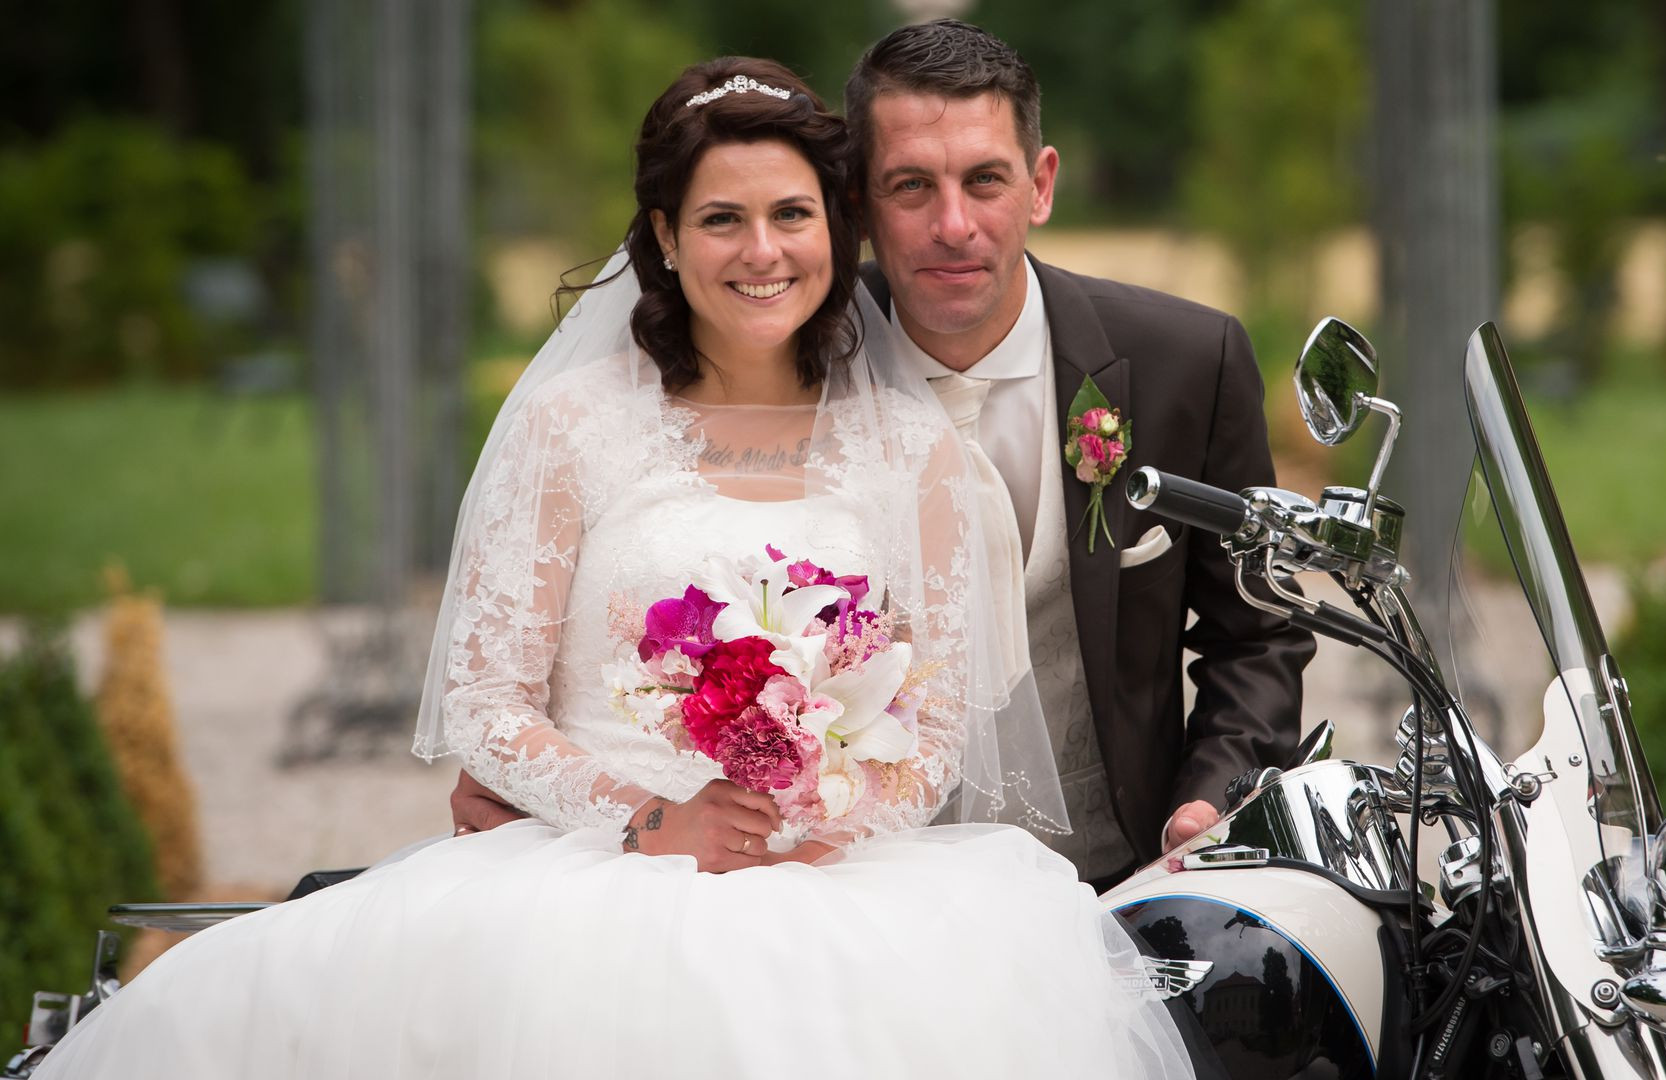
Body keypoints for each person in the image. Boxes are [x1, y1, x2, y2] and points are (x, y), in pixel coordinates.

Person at [33, 58, 1194, 1079]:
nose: (761, 251)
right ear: (664, 235)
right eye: (721, 218)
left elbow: (935, 736)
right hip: (594, 872)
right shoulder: (573, 429)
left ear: (835, 231)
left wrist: (817, 809)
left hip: (835, 877)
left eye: (792, 214)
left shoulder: (916, 456)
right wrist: (650, 820)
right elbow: (488, 706)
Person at [452, 19, 1317, 892]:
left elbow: (1256, 636)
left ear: (1040, 183)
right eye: (911, 187)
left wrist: (1210, 803)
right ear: (860, 204)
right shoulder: (772, 325)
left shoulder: (1185, 363)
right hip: (829, 884)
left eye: (985, 180)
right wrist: (586, 798)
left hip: (1107, 860)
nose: (953, 225)